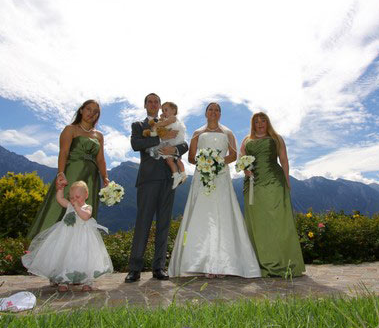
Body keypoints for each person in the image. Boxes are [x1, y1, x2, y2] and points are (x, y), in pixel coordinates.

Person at [169, 103, 261, 278]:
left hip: (221, 177)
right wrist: (204, 163)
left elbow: (233, 155)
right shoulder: (198, 133)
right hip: (202, 177)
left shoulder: (228, 133)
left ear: (220, 114)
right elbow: (190, 157)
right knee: (201, 213)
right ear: (205, 113)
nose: (214, 112)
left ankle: (224, 264)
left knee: (223, 212)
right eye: (210, 109)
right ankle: (200, 261)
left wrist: (217, 162)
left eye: (217, 110)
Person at [125, 93, 189, 283]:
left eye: (156, 102)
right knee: (143, 222)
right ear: (145, 105)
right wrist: (162, 139)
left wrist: (175, 149)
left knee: (164, 223)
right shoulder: (139, 125)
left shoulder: (171, 122)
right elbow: (136, 144)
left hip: (169, 178)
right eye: (149, 101)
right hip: (148, 179)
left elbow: (184, 143)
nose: (153, 104)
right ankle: (134, 268)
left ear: (160, 106)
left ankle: (159, 267)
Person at [27, 100, 109, 239]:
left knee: (84, 208)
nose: (92, 113)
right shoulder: (70, 129)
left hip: (91, 178)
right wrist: (61, 173)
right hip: (72, 173)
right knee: (60, 205)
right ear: (81, 110)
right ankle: (44, 242)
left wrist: (105, 177)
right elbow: (63, 152)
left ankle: (78, 247)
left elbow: (100, 159)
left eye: (96, 112)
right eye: (89, 109)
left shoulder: (99, 136)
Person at [240, 112, 305, 278]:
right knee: (257, 222)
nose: (260, 124)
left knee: (276, 221)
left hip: (274, 183)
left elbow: (284, 160)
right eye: (256, 121)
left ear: (267, 123)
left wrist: (287, 180)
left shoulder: (276, 138)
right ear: (252, 124)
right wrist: (244, 169)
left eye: (263, 121)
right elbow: (241, 158)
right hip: (253, 185)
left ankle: (282, 261)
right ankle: (259, 263)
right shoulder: (246, 140)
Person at [22, 181, 113, 292]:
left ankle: (87, 281)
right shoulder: (70, 205)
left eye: (77, 197)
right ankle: (63, 280)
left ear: (86, 195)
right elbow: (60, 199)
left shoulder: (87, 207)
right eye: (71, 197)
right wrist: (60, 189)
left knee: (84, 258)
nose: (74, 199)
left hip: (83, 239)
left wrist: (77, 208)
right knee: (64, 257)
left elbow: (85, 216)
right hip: (67, 238)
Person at [145, 101, 187, 189]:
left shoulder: (173, 118)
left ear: (174, 110)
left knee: (178, 160)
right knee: (169, 160)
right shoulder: (137, 125)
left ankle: (183, 174)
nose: (163, 112)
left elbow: (164, 124)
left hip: (176, 142)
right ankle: (176, 175)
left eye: (166, 110)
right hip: (168, 144)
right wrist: (161, 120)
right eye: (163, 110)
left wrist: (157, 124)